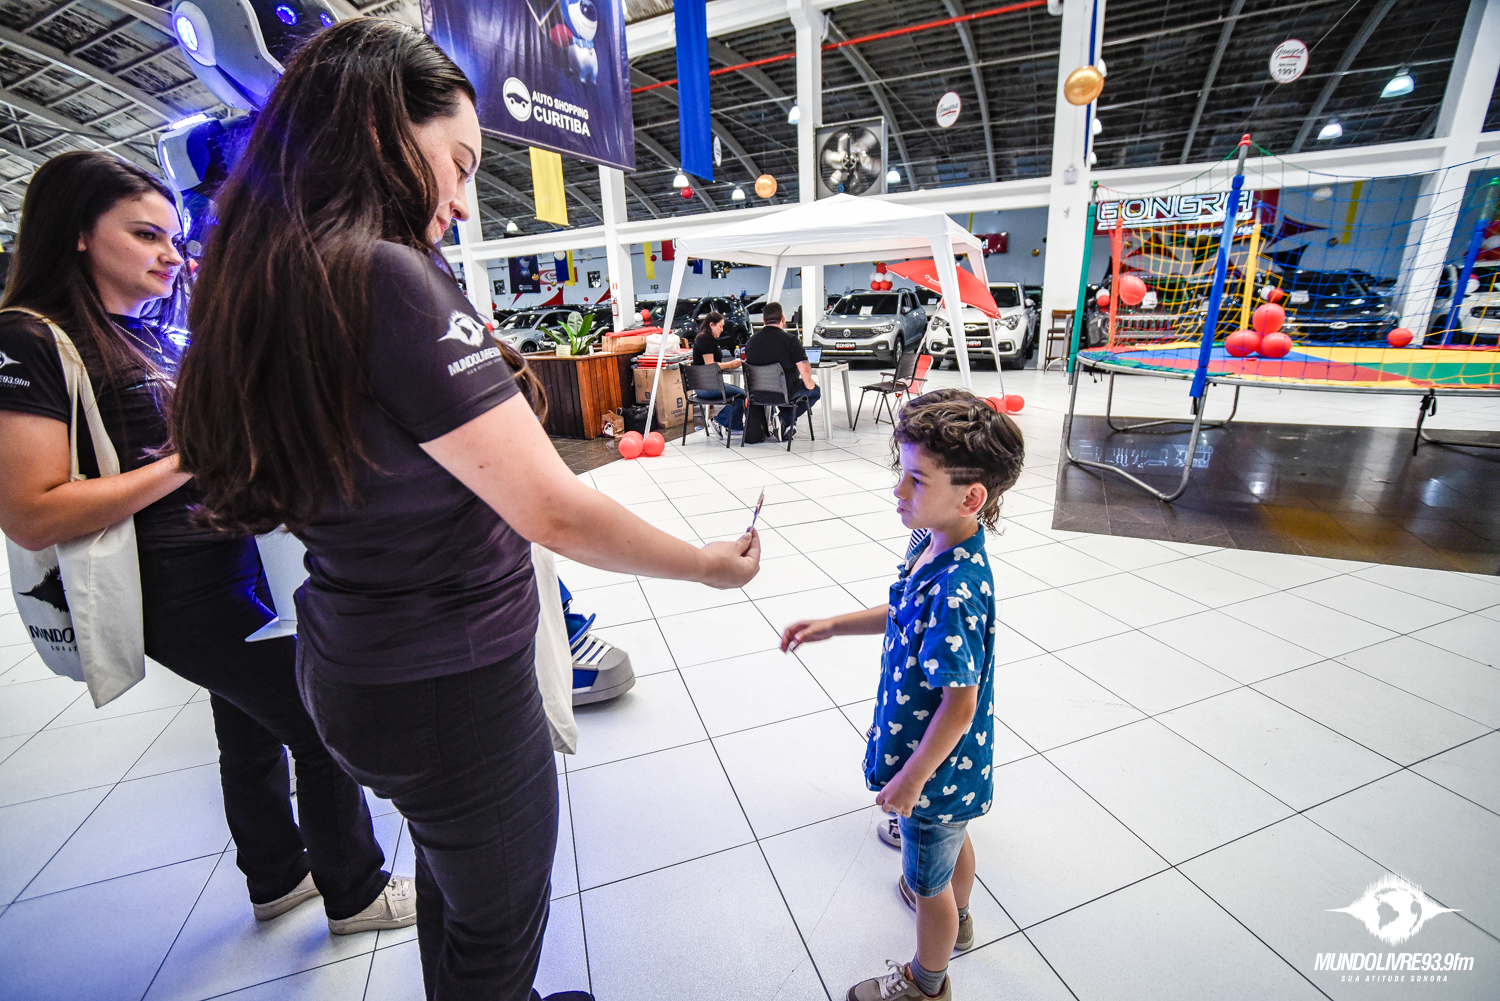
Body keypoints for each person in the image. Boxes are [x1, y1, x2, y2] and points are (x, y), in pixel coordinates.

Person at [168, 20, 759, 1001]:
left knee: (454, 878)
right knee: (499, 921)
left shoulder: (283, 278)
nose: (462, 199)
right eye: (458, 162)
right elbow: (552, 508)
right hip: (453, 682)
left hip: (353, 655)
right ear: (380, 127)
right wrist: (704, 563)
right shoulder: (386, 277)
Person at [0, 152, 412, 936]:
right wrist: (190, 456)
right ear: (78, 232)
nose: (168, 253)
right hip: (170, 585)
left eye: (172, 236)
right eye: (144, 234)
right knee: (320, 715)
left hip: (233, 562)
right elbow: (32, 511)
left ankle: (277, 876)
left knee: (248, 723)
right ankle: (357, 891)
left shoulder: (143, 333)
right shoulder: (28, 339)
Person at [779, 389, 1024, 1001]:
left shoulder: (955, 590)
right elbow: (902, 611)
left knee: (928, 878)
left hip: (935, 765)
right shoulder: (933, 545)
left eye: (917, 479)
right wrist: (833, 625)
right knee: (951, 836)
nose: (898, 490)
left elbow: (960, 705)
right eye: (902, 472)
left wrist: (912, 783)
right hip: (944, 761)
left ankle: (926, 981)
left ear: (971, 498)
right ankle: (958, 914)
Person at [743, 301, 819, 441]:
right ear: (783, 319)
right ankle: (785, 419)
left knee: (794, 390)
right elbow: (804, 367)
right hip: (785, 393)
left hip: (757, 394)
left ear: (764, 320)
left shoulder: (751, 342)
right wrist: (809, 384)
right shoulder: (790, 340)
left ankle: (786, 424)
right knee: (814, 391)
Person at [690, 310, 744, 434]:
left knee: (738, 395)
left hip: (705, 384)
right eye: (720, 326)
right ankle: (719, 421)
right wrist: (730, 364)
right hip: (706, 386)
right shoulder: (705, 339)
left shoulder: (708, 338)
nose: (722, 330)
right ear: (711, 325)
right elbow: (710, 365)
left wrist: (729, 365)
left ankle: (734, 426)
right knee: (742, 394)